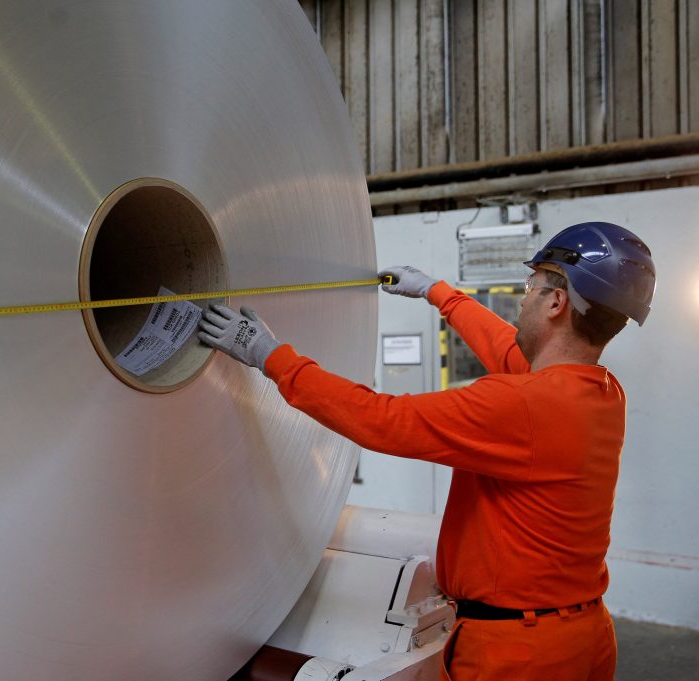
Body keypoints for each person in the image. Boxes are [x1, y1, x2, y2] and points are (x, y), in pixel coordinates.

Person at [198, 222, 656, 681]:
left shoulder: (522, 405)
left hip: (519, 653)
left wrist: (268, 356)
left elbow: (381, 419)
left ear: (557, 302)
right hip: (581, 636)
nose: (523, 297)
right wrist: (437, 293)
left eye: (532, 285)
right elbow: (504, 347)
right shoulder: (597, 391)